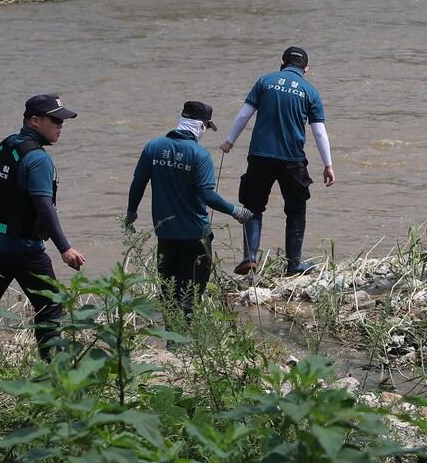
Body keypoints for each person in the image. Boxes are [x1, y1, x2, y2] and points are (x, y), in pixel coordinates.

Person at [0, 94, 86, 355]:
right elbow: (44, 205)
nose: (60, 126)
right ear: (35, 121)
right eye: (55, 120)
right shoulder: (37, 159)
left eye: (62, 121)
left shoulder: (3, 147)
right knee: (50, 304)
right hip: (24, 249)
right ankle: (54, 368)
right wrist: (65, 247)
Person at [126, 102, 253, 320]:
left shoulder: (152, 147)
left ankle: (172, 340)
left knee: (168, 291)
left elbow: (138, 183)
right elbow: (207, 195)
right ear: (202, 126)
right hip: (195, 236)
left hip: (165, 234)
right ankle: (184, 340)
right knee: (192, 292)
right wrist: (236, 211)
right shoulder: (199, 155)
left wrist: (131, 213)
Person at [220, 46, 335, 276]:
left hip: (260, 156)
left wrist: (229, 141)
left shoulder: (265, 81)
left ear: (281, 61)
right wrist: (328, 165)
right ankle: (294, 265)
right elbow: (319, 132)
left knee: (252, 206)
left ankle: (250, 257)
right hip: (292, 160)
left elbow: (244, 114)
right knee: (295, 209)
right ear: (306, 68)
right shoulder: (310, 92)